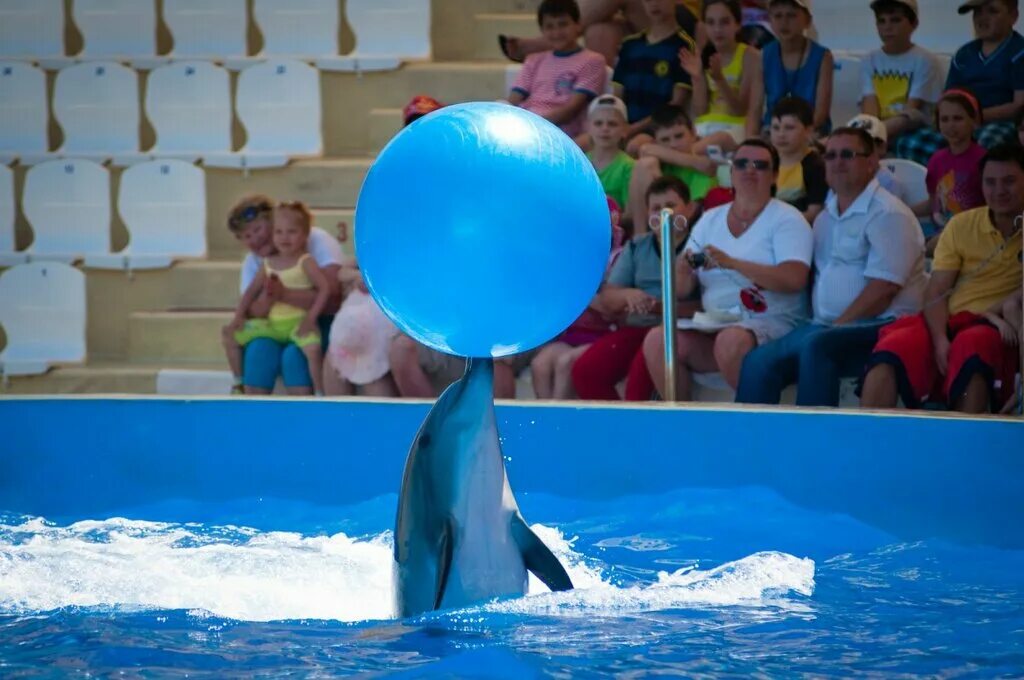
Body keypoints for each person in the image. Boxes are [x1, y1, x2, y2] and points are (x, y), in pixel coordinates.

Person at [735, 127, 926, 406]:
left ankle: (814, 443)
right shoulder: (826, 217)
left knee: (817, 346)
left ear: (871, 162)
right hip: (825, 325)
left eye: (847, 155)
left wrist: (836, 326)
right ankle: (754, 444)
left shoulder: (889, 214)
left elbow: (884, 288)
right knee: (757, 361)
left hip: (882, 325)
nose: (837, 162)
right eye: (831, 155)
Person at [642, 138, 813, 400]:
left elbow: (794, 279)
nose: (749, 170)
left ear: (775, 175)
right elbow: (682, 290)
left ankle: (751, 430)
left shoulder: (787, 218)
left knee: (730, 341)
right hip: (714, 324)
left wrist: (732, 262)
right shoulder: (711, 219)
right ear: (731, 172)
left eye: (760, 164)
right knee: (657, 340)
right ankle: (683, 428)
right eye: (741, 163)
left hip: (775, 326)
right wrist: (682, 270)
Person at [860, 143, 1024, 413]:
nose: (999, 191)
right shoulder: (961, 225)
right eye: (990, 182)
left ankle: (963, 448)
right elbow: (936, 291)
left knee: (972, 345)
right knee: (892, 348)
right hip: (947, 321)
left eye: (1009, 181)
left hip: (996, 326)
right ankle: (865, 444)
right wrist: (939, 339)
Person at [572, 176, 701, 400]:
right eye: (656, 208)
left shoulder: (699, 247)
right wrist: (629, 295)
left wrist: (656, 307)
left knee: (637, 390)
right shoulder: (636, 247)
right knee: (586, 371)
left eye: (671, 206)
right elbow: (608, 300)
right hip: (637, 329)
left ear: (689, 209)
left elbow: (705, 306)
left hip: (678, 333)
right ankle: (616, 432)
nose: (664, 214)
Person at [222, 195, 342, 395]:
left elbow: (333, 297)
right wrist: (269, 298)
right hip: (278, 324)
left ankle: (309, 414)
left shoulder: (314, 241)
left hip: (320, 320)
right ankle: (251, 409)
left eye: (259, 230)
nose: (255, 240)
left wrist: (284, 295)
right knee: (258, 351)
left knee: (294, 357)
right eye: (246, 236)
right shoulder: (257, 262)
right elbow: (253, 310)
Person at [895, 0, 1024, 164]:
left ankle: (969, 181)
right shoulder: (964, 54)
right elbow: (949, 96)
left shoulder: (1020, 53)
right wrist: (948, 120)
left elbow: (1019, 106)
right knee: (908, 142)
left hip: (1000, 124)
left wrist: (974, 117)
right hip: (961, 123)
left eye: (992, 11)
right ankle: (944, 180)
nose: (982, 18)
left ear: (1014, 16)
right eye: (977, 12)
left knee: (986, 143)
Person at [531, 197, 626, 399]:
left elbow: (610, 309)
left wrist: (578, 291)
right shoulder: (575, 258)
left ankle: (560, 425)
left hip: (606, 335)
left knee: (566, 363)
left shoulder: (619, 257)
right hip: (574, 336)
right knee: (539, 364)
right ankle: (544, 425)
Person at [508, 0, 608, 138]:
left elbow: (571, 110)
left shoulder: (593, 60)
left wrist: (534, 125)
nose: (556, 32)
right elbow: (513, 100)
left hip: (562, 134)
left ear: (578, 25)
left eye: (563, 24)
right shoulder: (533, 60)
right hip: (527, 127)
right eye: (549, 26)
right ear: (542, 30)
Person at [500, 0, 702, 68]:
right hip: (641, 17)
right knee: (599, 31)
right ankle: (606, 109)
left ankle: (547, 41)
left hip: (684, 16)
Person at [611, 0, 697, 150]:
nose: (654, 4)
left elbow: (677, 103)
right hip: (624, 126)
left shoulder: (684, 46)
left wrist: (633, 129)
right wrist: (617, 125)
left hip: (659, 129)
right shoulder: (630, 44)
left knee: (634, 146)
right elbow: (617, 96)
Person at [679, 0, 762, 143]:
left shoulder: (750, 56)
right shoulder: (705, 55)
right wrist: (697, 77)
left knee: (703, 145)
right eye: (710, 23)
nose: (717, 29)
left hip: (734, 128)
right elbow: (700, 111)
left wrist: (720, 80)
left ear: (737, 24)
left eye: (724, 22)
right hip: (706, 126)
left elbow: (740, 110)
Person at [859, 0, 942, 142]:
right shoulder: (869, 60)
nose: (887, 27)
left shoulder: (924, 59)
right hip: (877, 131)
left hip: (913, 130)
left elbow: (911, 111)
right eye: (881, 21)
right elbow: (869, 109)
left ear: (914, 24)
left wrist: (874, 135)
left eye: (895, 20)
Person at [626, 105, 718, 230]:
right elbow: (642, 149)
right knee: (645, 164)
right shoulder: (656, 163)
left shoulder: (702, 167)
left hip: (685, 228)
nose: (673, 144)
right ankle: (640, 239)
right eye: (665, 139)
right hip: (653, 223)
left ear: (693, 133)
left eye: (679, 136)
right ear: (657, 143)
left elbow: (692, 214)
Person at [917, 89, 987, 253]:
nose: (951, 125)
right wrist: (903, 209)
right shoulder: (936, 160)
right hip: (937, 233)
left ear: (974, 121)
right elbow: (933, 203)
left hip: (969, 235)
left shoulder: (985, 161)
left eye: (958, 118)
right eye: (945, 119)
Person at [753, 0, 833, 136]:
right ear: (770, 20)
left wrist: (799, 134)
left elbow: (821, 111)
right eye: (778, 16)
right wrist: (752, 138)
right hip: (774, 129)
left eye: (792, 15)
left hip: (811, 129)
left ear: (807, 20)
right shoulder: (763, 55)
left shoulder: (822, 56)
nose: (784, 22)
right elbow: (756, 105)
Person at [323, 257, 399, 397]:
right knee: (333, 362)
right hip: (352, 328)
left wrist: (375, 282)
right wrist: (361, 275)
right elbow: (342, 272)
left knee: (376, 390)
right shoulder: (369, 251)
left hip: (384, 316)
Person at [769, 96, 827, 223]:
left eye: (789, 128)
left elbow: (815, 212)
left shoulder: (815, 166)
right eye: (776, 128)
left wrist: (781, 224)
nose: (781, 134)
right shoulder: (767, 162)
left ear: (808, 131)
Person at [846, 114, 911, 205]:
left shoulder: (889, 184)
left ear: (882, 147)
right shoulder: (840, 177)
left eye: (864, 145)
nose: (856, 150)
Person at [586, 95, 634, 211]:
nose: (605, 128)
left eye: (612, 124)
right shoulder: (580, 162)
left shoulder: (629, 167)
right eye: (598, 123)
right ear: (588, 128)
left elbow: (630, 214)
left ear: (625, 130)